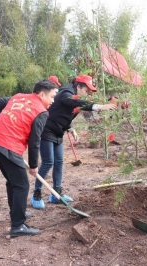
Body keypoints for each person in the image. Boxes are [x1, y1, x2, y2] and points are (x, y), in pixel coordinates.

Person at [30, 74, 117, 209]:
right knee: (48, 162)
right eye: (86, 90)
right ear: (78, 86)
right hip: (47, 130)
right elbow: (70, 101)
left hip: (58, 131)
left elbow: (63, 112)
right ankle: (37, 193)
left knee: (59, 162)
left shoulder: (76, 96)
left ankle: (56, 194)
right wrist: (98, 106)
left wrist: (71, 128)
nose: (87, 93)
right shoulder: (67, 92)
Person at [0, 80, 58, 237]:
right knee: (22, 185)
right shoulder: (41, 112)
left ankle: (17, 214)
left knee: (13, 182)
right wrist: (33, 165)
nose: (53, 101)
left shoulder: (18, 96)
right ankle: (18, 226)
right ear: (42, 94)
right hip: (7, 145)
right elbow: (35, 141)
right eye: (52, 97)